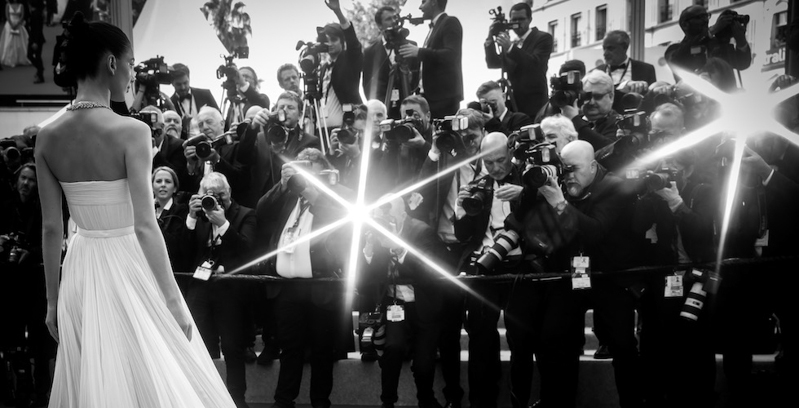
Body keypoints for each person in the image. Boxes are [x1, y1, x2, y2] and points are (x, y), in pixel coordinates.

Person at [33, 13, 236, 408]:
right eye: (128, 65)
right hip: (127, 263)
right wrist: (175, 301)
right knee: (151, 378)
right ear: (111, 63)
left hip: (79, 269)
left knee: (93, 378)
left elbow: (50, 229)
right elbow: (145, 225)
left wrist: (52, 301)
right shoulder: (132, 131)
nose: (130, 75)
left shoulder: (47, 135)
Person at [255, 148, 352, 408]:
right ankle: (283, 401)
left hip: (321, 285)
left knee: (322, 350)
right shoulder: (288, 195)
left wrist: (310, 191)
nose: (304, 173)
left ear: (322, 170)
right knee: (290, 349)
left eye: (310, 168)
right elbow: (261, 212)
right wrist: (283, 184)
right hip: (287, 288)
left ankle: (320, 402)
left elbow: (340, 219)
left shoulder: (338, 194)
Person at [184, 172, 257, 408]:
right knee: (200, 347)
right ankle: (204, 398)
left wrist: (223, 223)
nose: (215, 200)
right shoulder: (200, 215)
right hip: (201, 287)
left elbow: (247, 250)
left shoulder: (246, 215)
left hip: (230, 291)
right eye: (209, 195)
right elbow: (183, 252)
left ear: (230, 193)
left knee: (232, 347)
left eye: (220, 195)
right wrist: (192, 218)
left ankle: (236, 400)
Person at [0, 163, 57, 407]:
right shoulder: (5, 208)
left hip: (35, 283)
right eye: (23, 178)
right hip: (8, 282)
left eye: (32, 180)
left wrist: (31, 252)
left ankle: (42, 392)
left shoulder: (44, 210)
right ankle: (17, 391)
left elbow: (50, 244)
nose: (26, 183)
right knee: (11, 340)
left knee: (39, 342)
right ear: (16, 181)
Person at [484, 2, 553, 119]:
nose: (517, 23)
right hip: (514, 104)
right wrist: (490, 38)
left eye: (521, 19)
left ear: (530, 19)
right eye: (514, 20)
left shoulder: (542, 38)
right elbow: (494, 63)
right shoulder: (512, 42)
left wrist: (510, 48)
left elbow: (535, 64)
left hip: (534, 104)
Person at [400, 0, 462, 118]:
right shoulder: (435, 27)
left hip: (443, 98)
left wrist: (419, 52)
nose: (420, 7)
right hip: (431, 97)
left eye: (423, 2)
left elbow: (451, 54)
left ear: (433, 2)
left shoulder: (450, 22)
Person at [362, 5, 420, 119]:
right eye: (388, 19)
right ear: (379, 25)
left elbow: (416, 79)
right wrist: (378, 109)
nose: (394, 21)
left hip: (407, 109)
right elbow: (367, 85)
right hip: (383, 111)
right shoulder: (370, 52)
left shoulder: (411, 46)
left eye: (395, 18)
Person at [665, 5, 751, 78]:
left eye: (706, 16)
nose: (706, 20)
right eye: (700, 17)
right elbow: (677, 60)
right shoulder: (674, 49)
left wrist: (741, 41)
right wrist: (713, 30)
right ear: (685, 25)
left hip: (723, 95)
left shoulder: (715, 43)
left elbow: (742, 64)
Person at [318, 0, 363, 132]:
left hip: (348, 126)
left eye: (333, 40)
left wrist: (338, 12)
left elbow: (353, 42)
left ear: (342, 41)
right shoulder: (323, 68)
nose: (330, 44)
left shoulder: (349, 59)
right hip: (323, 129)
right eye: (326, 41)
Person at [594, 30, 657, 113]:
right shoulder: (596, 72)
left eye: (610, 48)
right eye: (604, 48)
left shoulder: (646, 69)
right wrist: (623, 86)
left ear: (624, 47)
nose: (605, 53)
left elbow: (651, 101)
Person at [152, 166, 190, 274]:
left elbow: (175, 245)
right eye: (158, 181)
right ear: (152, 186)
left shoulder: (181, 211)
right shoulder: (144, 209)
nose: (163, 184)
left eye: (168, 181)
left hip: (172, 268)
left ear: (174, 188)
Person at [26, 0, 57, 83]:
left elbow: (37, 29)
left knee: (32, 55)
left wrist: (35, 42)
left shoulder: (36, 14)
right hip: (36, 39)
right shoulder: (36, 13)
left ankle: (40, 73)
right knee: (35, 56)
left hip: (36, 40)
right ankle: (40, 70)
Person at [0, 0, 31, 67]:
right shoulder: (8, 5)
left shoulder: (21, 5)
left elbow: (22, 16)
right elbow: (7, 16)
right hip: (9, 24)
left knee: (20, 43)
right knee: (8, 42)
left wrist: (17, 23)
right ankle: (9, 59)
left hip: (18, 24)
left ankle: (20, 58)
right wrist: (11, 24)